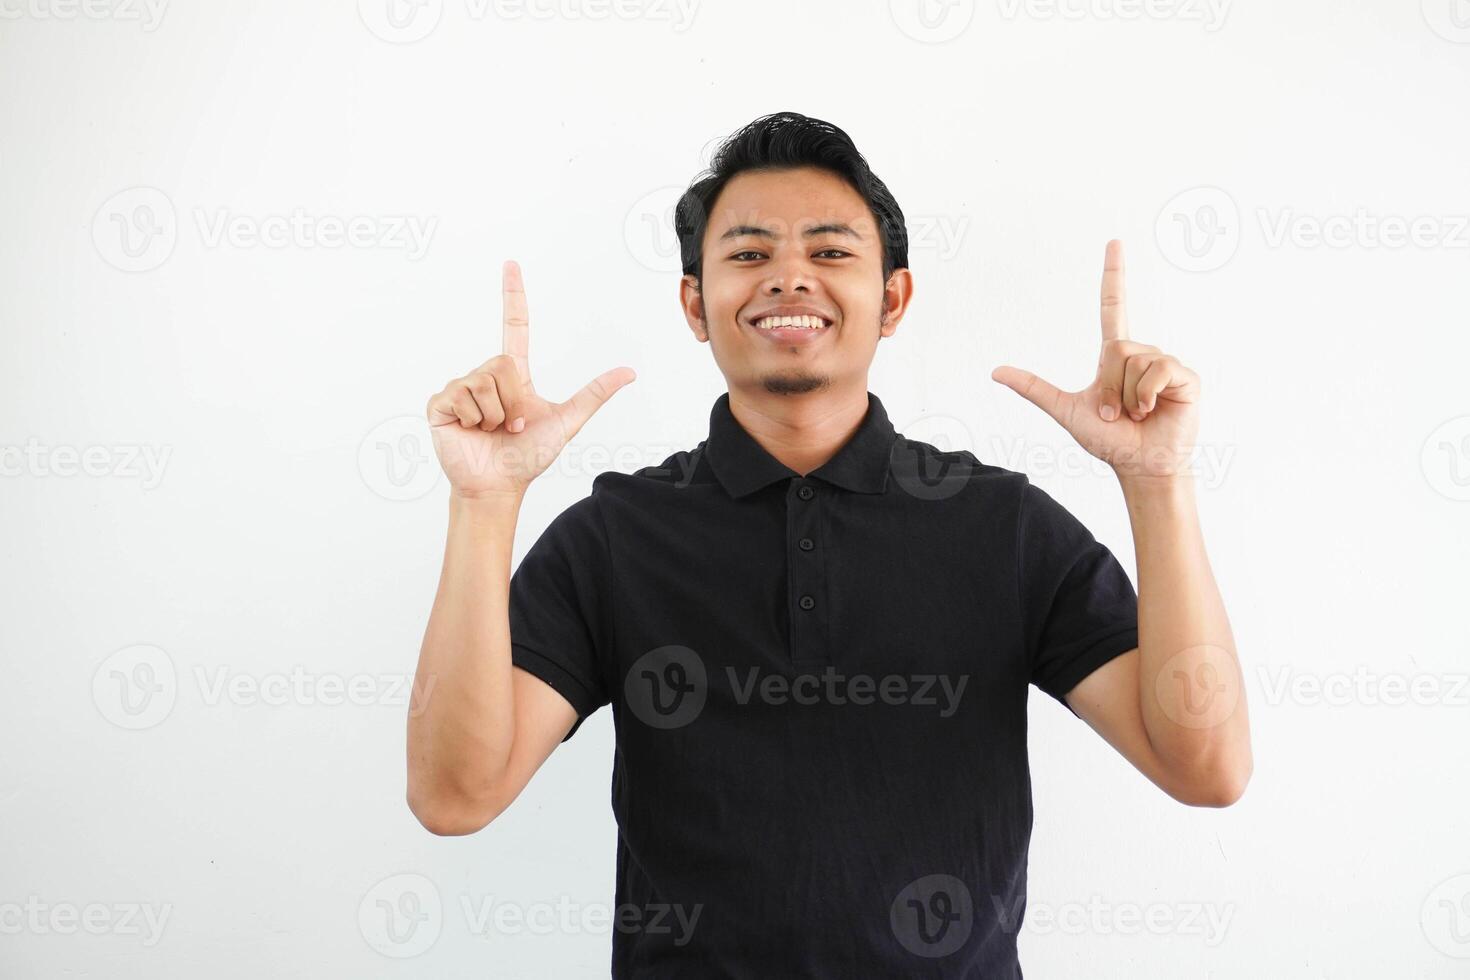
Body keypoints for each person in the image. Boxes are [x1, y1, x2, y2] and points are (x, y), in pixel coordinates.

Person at [405, 111, 1252, 978]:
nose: (788, 279)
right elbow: (454, 796)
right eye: (747, 254)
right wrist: (483, 502)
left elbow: (1206, 767)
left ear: (893, 299)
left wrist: (1157, 484)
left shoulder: (1002, 526)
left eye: (830, 251)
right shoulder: (617, 534)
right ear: (696, 305)